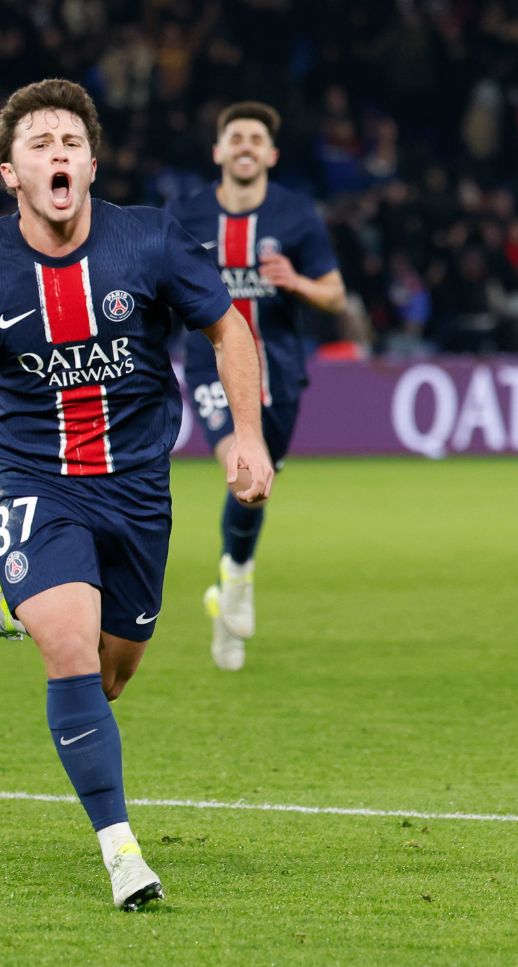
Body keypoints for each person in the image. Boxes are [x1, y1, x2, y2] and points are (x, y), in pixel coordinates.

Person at [0, 80, 273, 911]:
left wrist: (246, 437)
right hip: (36, 481)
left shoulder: (148, 241)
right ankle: (122, 853)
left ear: (92, 162)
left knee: (109, 676)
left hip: (138, 488)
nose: (58, 153)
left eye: (71, 141)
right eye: (39, 144)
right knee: (68, 649)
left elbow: (229, 328)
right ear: (11, 173)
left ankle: (15, 602)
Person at [164, 102, 345, 671]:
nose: (245, 145)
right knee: (243, 474)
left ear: (271, 154)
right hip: (209, 366)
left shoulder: (296, 216)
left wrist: (297, 283)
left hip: (281, 373)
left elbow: (336, 295)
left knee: (258, 488)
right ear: (218, 151)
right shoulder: (186, 214)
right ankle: (239, 580)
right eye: (234, 136)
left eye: (255, 138)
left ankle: (226, 589)